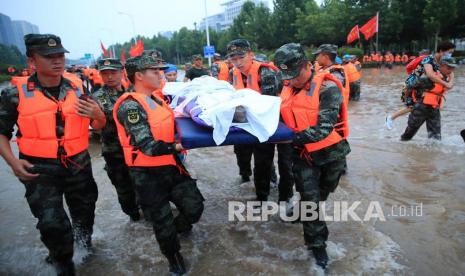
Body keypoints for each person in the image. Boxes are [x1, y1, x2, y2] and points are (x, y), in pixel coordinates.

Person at [0, 34, 105, 275]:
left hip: (78, 164)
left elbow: (98, 124)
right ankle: (63, 264)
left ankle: (84, 250)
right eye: (49, 57)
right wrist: (13, 163)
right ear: (32, 61)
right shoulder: (14, 94)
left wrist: (99, 115)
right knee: (53, 225)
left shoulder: (77, 86)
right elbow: (2, 132)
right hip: (39, 169)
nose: (57, 61)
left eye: (60, 55)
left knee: (85, 215)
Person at [113, 55, 204, 275]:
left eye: (160, 70)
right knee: (161, 220)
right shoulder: (131, 106)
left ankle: (176, 230)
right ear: (139, 76)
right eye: (154, 71)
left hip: (172, 167)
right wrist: (179, 146)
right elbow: (147, 146)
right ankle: (174, 257)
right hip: (147, 174)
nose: (160, 74)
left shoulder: (157, 98)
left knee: (195, 207)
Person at [274, 43, 350, 269]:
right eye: (287, 75)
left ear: (308, 65)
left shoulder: (328, 88)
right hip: (302, 156)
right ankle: (318, 248)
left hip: (332, 154)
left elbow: (323, 129)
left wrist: (288, 139)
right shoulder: (286, 86)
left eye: (295, 74)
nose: (292, 80)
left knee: (324, 193)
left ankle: (299, 213)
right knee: (312, 203)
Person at [226, 39, 293, 204]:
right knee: (261, 161)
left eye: (241, 57)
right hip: (253, 121)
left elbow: (267, 106)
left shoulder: (265, 72)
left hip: (279, 121)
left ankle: (285, 199)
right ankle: (262, 198)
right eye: (233, 59)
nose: (238, 62)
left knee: (286, 163)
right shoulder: (233, 73)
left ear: (251, 54)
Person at [91, 58, 140, 221]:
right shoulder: (97, 97)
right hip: (115, 152)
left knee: (144, 185)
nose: (109, 77)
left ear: (122, 72)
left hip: (137, 149)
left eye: (113, 72)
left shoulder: (134, 91)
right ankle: (133, 216)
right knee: (124, 189)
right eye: (105, 73)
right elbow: (96, 126)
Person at [400, 56, 457, 141]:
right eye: (449, 67)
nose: (451, 70)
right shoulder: (427, 78)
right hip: (420, 109)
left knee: (436, 138)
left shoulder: (445, 79)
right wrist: (409, 101)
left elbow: (449, 86)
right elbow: (408, 87)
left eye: (453, 68)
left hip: (434, 109)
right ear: (441, 66)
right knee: (408, 135)